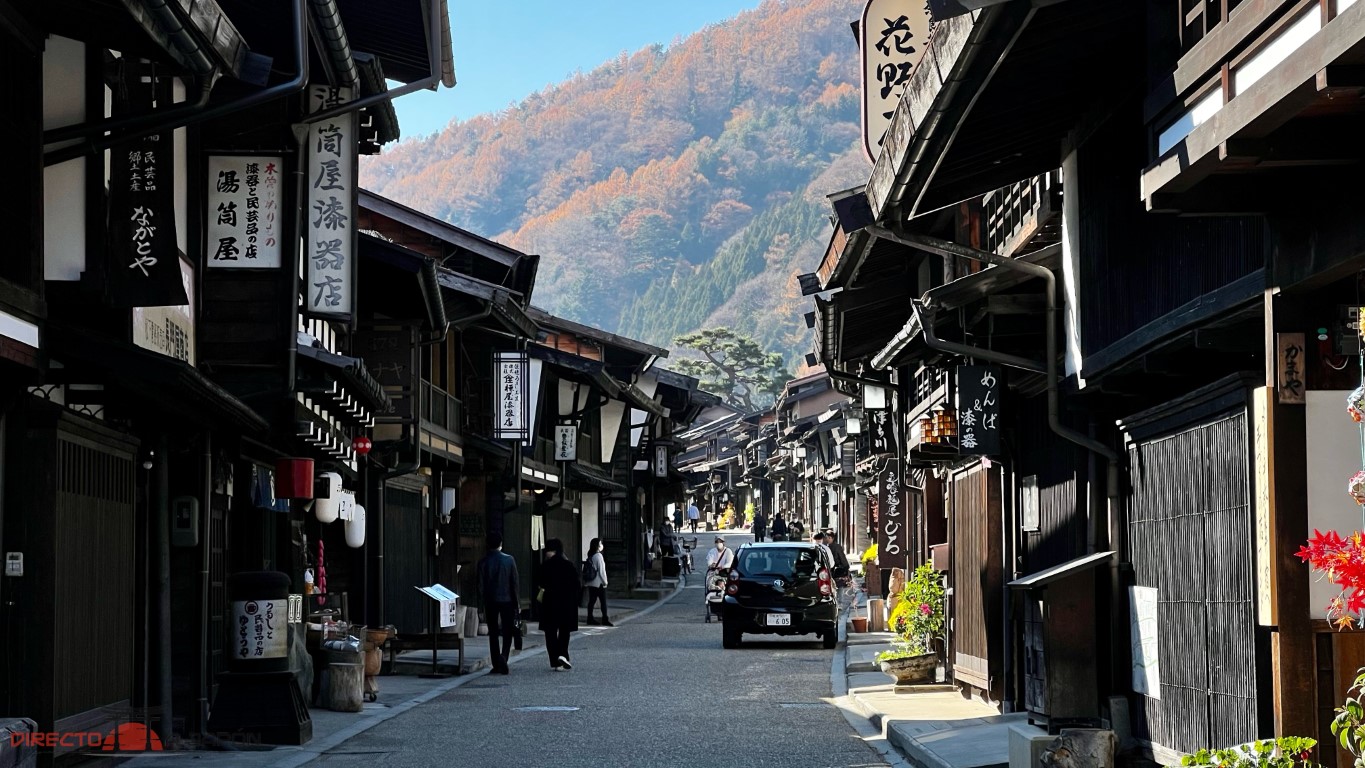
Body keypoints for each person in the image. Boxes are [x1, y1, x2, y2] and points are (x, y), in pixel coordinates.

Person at [477, 533, 520, 675]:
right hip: (507, 600)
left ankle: (496, 663)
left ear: (487, 544)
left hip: (490, 601)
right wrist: (517, 603)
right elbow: (514, 583)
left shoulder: (483, 562)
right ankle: (504, 657)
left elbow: (480, 587)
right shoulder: (509, 560)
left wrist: (480, 606)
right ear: (501, 544)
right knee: (507, 631)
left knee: (493, 632)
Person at [538, 538, 582, 670]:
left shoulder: (545, 566)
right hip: (567, 603)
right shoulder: (569, 565)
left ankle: (555, 659)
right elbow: (576, 585)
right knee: (564, 630)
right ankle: (563, 653)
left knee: (550, 632)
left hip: (550, 603)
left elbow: (541, 583)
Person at [584, 538, 612, 626]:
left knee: (591, 601)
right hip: (599, 583)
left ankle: (590, 618)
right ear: (597, 546)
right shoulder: (599, 556)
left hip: (591, 583)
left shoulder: (591, 555)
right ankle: (605, 619)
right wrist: (605, 582)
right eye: (600, 543)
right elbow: (602, 571)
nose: (602, 545)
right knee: (603, 602)